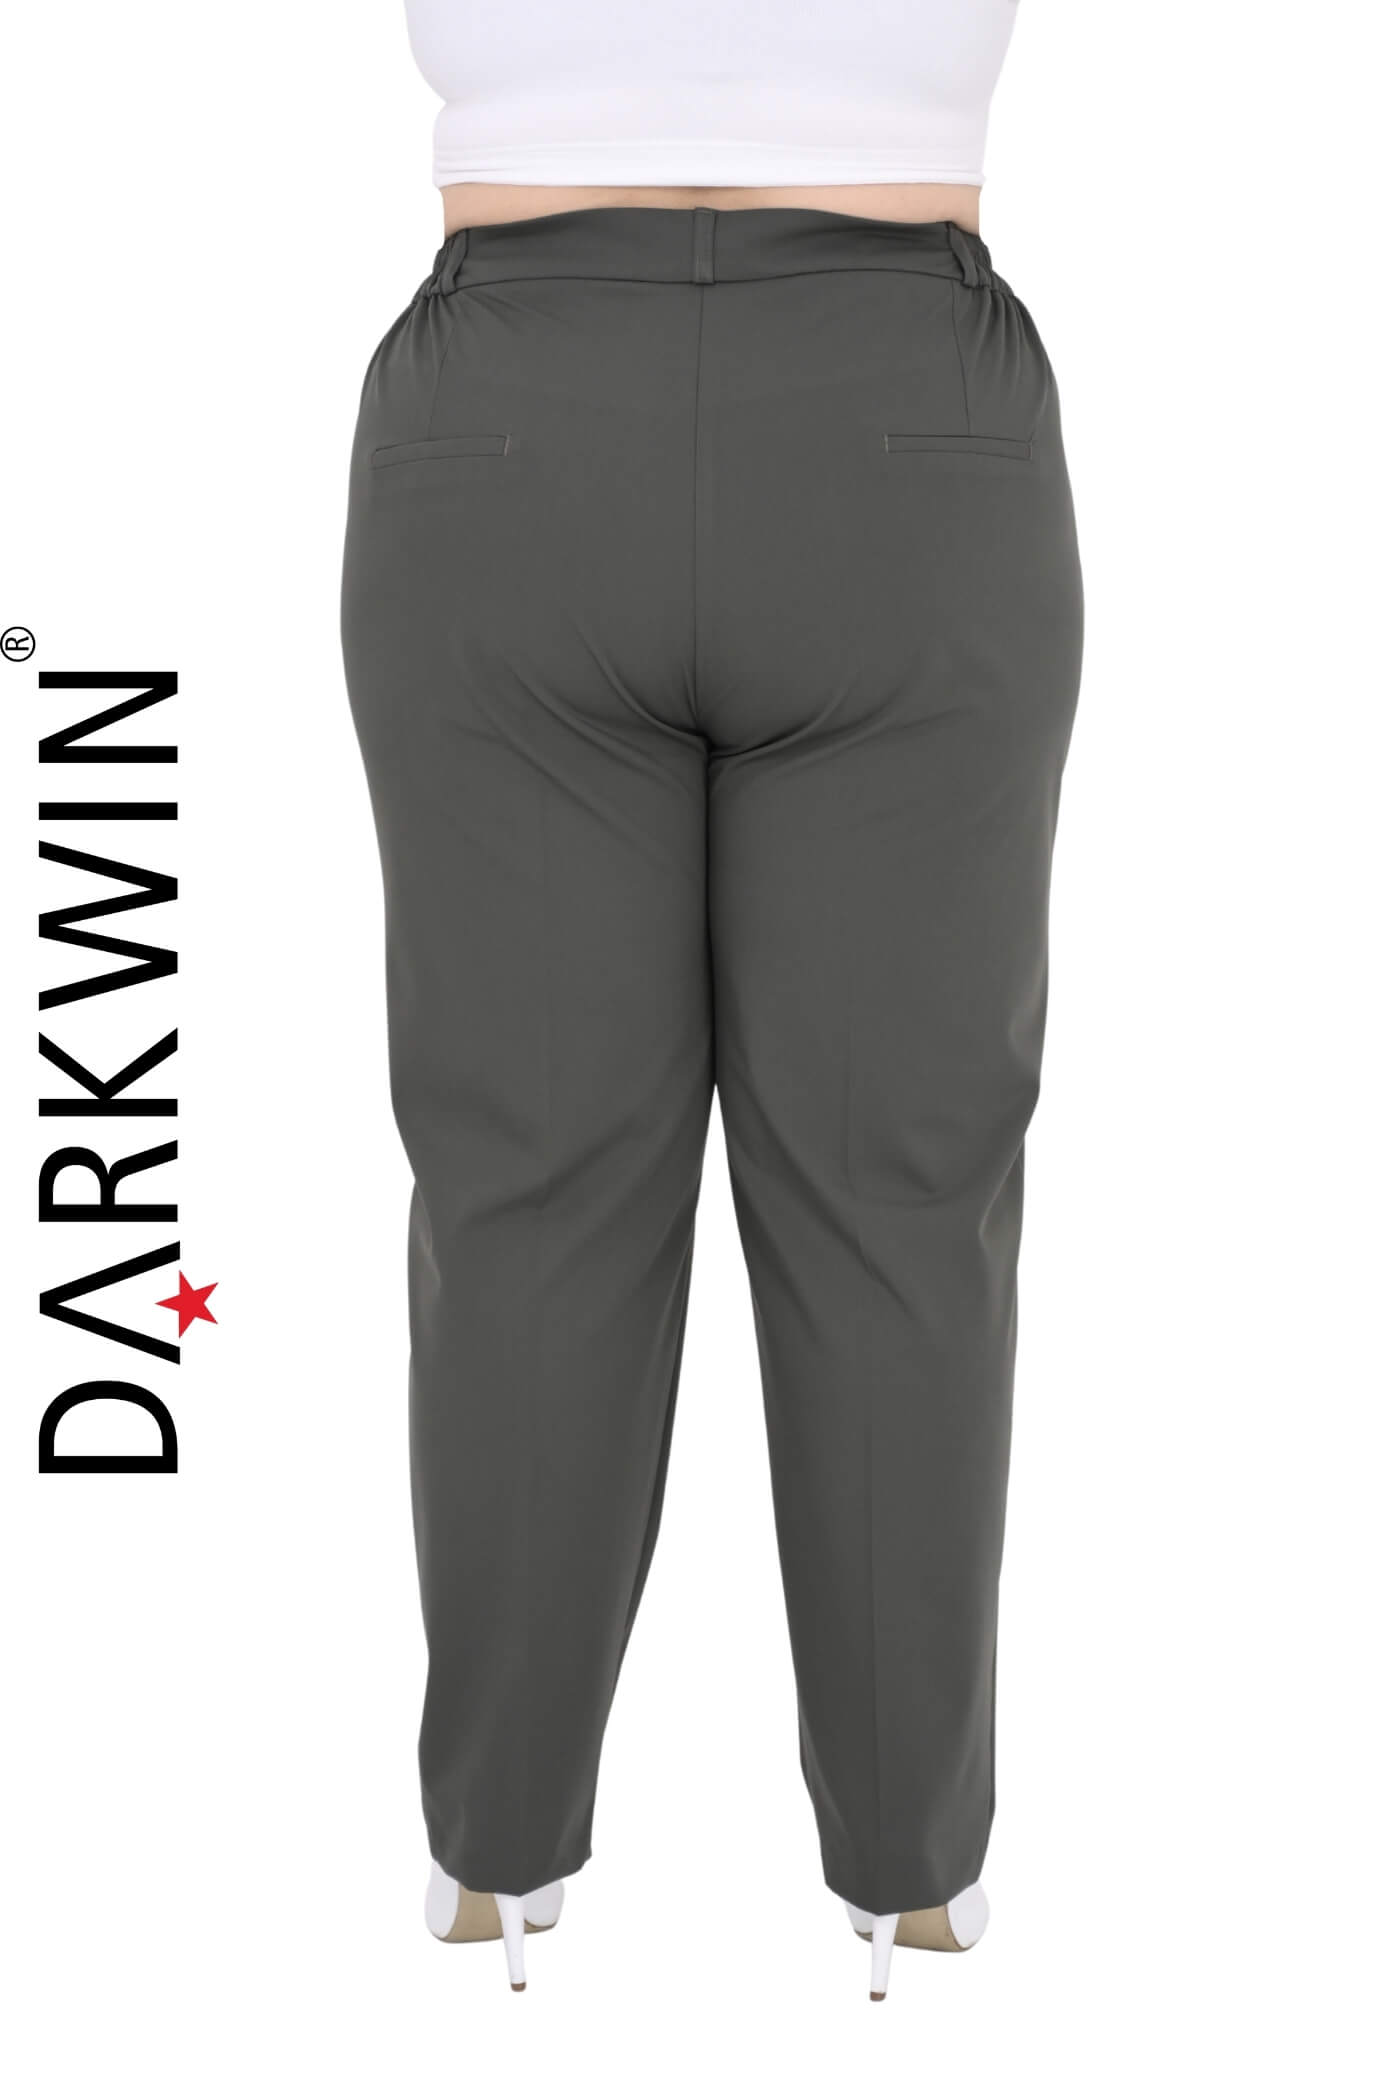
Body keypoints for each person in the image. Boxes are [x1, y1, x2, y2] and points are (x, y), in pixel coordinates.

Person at [341, 0, 1082, 2001]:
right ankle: (909, 1880)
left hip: (508, 427)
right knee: (900, 1199)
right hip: (901, 433)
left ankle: (495, 1860)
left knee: (524, 1190)